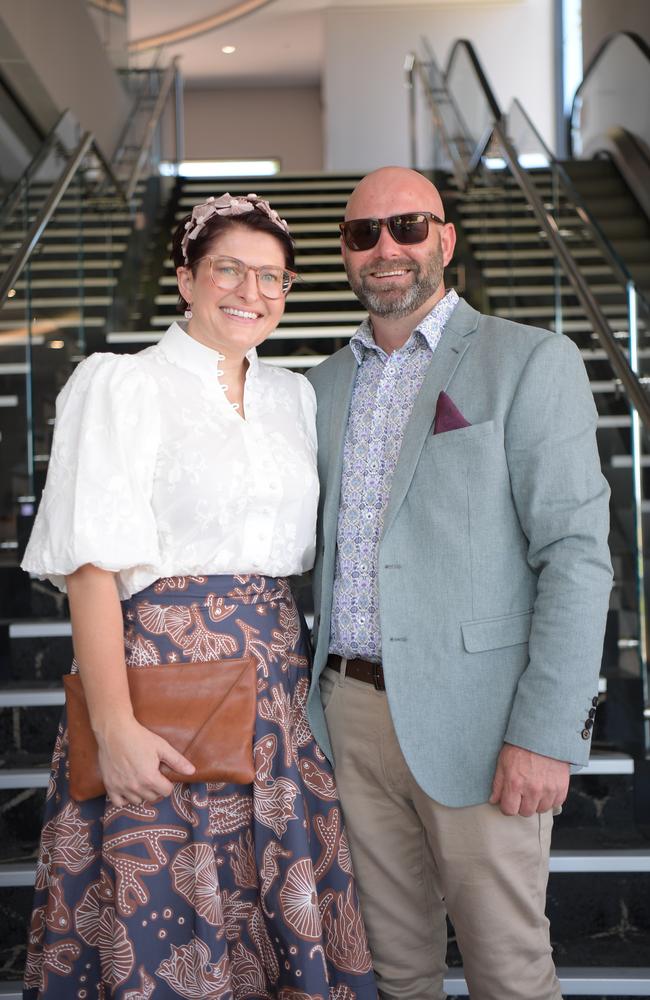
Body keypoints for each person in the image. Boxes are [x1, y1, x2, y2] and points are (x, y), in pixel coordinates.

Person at [21, 193, 377, 999]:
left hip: (277, 701)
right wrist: (112, 729)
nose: (253, 292)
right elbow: (89, 570)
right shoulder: (119, 384)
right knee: (166, 929)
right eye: (230, 270)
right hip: (158, 695)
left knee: (269, 923)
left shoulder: (296, 395)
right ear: (185, 277)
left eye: (274, 278)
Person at [305, 167, 613, 1000]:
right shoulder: (319, 385)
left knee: (508, 969)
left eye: (408, 226)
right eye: (364, 233)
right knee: (393, 972)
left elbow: (577, 555)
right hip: (350, 718)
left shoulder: (529, 360)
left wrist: (548, 731)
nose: (387, 248)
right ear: (345, 253)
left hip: (482, 724)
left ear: (446, 238)